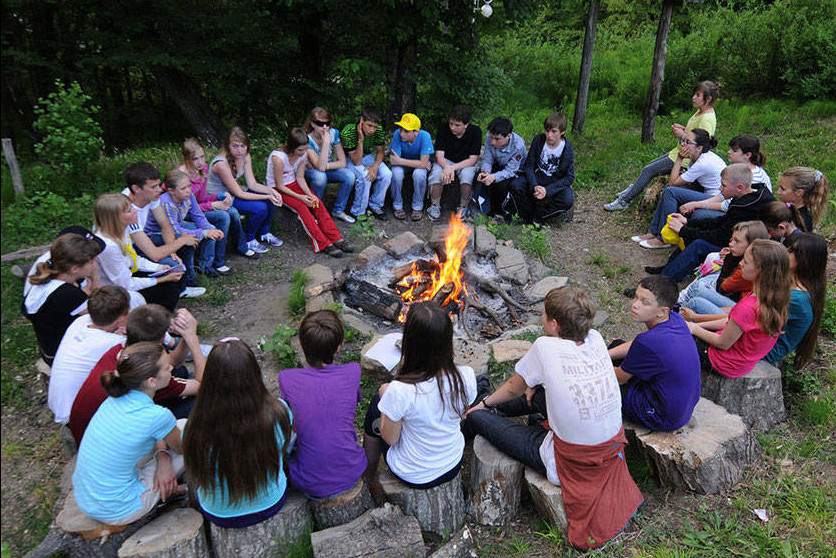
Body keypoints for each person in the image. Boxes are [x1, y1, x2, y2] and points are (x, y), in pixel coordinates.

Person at [463, 286, 642, 550]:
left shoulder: (544, 347)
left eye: (544, 315)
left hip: (567, 460)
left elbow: (513, 387)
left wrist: (484, 404)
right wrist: (534, 385)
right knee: (533, 393)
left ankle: (476, 411)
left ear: (555, 324)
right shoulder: (594, 337)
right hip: (609, 445)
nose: (542, 319)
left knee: (479, 418)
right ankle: (489, 403)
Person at [363, 302, 477, 488]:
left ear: (409, 342)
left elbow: (390, 439)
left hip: (414, 473)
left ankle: (368, 476)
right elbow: (461, 413)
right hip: (452, 462)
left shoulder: (400, 390)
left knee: (377, 404)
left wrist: (386, 394)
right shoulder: (466, 376)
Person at [72, 342, 186, 525]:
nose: (171, 368)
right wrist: (164, 455)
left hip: (87, 498)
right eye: (167, 367)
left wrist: (162, 455)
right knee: (189, 433)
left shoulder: (113, 400)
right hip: (119, 508)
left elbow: (154, 433)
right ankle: (163, 494)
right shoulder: (157, 415)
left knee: (167, 436)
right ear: (151, 381)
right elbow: (182, 449)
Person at [184, 339, 293, 528]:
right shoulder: (279, 412)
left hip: (218, 513)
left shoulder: (194, 425)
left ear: (209, 378)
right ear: (254, 373)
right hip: (270, 504)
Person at [68, 305, 206, 446]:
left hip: (88, 433)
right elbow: (204, 385)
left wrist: (185, 338)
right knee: (202, 400)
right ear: (162, 338)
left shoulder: (119, 352)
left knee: (179, 371)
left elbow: (171, 362)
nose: (169, 367)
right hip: (111, 443)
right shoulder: (149, 377)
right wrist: (192, 338)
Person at [278, 310, 366, 499]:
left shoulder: (286, 378)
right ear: (339, 346)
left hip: (307, 481)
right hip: (351, 472)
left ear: (302, 345)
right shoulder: (353, 372)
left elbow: (291, 421)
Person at [649, 163, 775, 282]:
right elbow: (722, 221)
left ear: (740, 187)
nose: (720, 188)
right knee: (692, 236)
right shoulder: (748, 196)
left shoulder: (747, 207)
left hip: (749, 249)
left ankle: (664, 281)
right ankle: (669, 269)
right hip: (736, 239)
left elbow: (719, 236)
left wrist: (683, 230)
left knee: (699, 245)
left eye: (724, 185)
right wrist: (688, 222)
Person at [605, 80, 719, 211]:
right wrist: (684, 129)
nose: (693, 97)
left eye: (698, 95)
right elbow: (696, 133)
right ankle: (631, 191)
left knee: (648, 171)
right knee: (649, 166)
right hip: (678, 151)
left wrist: (682, 135)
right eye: (695, 94)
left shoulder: (706, 119)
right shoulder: (701, 111)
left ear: (708, 99)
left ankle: (624, 201)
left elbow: (701, 144)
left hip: (684, 158)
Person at [687, 239, 791, 378]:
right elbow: (732, 324)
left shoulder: (748, 307)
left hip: (722, 362)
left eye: (746, 262)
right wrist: (697, 325)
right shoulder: (774, 299)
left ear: (761, 271)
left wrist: (694, 328)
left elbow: (722, 343)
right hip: (742, 363)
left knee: (674, 337)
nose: (740, 264)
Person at [608, 276, 701, 431]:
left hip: (662, 416)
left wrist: (593, 364)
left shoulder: (649, 341)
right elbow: (637, 346)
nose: (635, 304)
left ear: (662, 311)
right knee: (616, 345)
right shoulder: (675, 319)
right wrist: (606, 355)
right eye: (636, 297)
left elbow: (618, 378)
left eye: (645, 302)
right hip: (683, 407)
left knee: (604, 390)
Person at [48, 286, 129, 424]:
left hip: (58, 404)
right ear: (120, 319)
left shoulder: (80, 322)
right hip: (75, 415)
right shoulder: (115, 343)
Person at [23, 229, 104, 365]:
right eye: (91, 261)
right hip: (61, 355)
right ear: (74, 269)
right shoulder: (67, 294)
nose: (94, 263)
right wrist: (95, 280)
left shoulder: (51, 275)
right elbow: (101, 315)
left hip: (48, 346)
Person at [267, 127, 352, 257]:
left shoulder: (303, 154)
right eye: (300, 150)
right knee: (302, 207)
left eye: (305, 149)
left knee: (317, 202)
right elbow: (279, 185)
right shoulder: (278, 158)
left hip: (294, 184)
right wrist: (300, 197)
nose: (303, 153)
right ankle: (322, 243)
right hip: (278, 188)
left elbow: (300, 177)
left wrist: (310, 195)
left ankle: (336, 238)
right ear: (291, 147)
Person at [634, 129, 726, 248]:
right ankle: (654, 231)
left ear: (699, 148)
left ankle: (665, 238)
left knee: (670, 191)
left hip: (716, 198)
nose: (683, 144)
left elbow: (673, 183)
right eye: (683, 140)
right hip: (709, 194)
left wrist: (679, 158)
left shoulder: (703, 162)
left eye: (688, 142)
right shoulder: (699, 157)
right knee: (670, 190)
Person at [94, 193, 188, 308]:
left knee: (171, 280)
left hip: (127, 274)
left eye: (132, 207)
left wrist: (158, 268)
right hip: (113, 290)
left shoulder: (122, 230)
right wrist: (161, 279)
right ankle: (153, 316)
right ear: (115, 218)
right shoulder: (109, 246)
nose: (135, 211)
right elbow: (126, 284)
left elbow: (133, 258)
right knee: (168, 290)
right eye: (129, 210)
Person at [206, 126, 284, 254]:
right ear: (227, 146)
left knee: (270, 200)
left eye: (243, 146)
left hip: (235, 192)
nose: (239, 150)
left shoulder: (245, 156)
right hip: (222, 198)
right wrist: (267, 196)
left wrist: (271, 191)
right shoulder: (221, 164)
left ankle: (264, 232)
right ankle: (248, 239)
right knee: (260, 208)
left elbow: (252, 184)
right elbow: (240, 194)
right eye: (235, 146)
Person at [178, 137, 255, 260]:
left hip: (198, 208)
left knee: (232, 211)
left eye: (202, 157)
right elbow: (188, 208)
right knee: (223, 216)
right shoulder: (181, 177)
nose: (200, 162)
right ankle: (217, 260)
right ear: (186, 158)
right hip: (184, 214)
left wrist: (220, 196)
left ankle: (241, 247)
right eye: (195, 159)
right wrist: (212, 205)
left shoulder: (202, 169)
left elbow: (201, 197)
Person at [145, 170, 225, 281]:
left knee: (211, 230)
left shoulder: (189, 195)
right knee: (190, 239)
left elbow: (198, 215)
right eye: (183, 188)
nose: (188, 190)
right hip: (157, 233)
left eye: (189, 186)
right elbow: (175, 230)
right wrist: (204, 233)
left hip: (176, 225)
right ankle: (189, 277)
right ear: (171, 191)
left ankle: (205, 266)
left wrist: (210, 229)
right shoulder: (167, 204)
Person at [678, 221, 769, 317]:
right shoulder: (747, 261)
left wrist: (730, 258)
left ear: (751, 246)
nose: (731, 244)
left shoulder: (747, 269)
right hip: (737, 304)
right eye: (731, 239)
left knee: (697, 291)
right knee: (703, 280)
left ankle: (679, 313)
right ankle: (680, 306)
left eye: (737, 241)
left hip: (739, 308)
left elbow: (723, 288)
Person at [764, 232, 827, 368]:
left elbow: (748, 320)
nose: (784, 252)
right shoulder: (794, 285)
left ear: (805, 259)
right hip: (761, 340)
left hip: (764, 351)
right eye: (787, 247)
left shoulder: (796, 299)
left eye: (791, 251)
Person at [679, 134, 772, 220]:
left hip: (743, 217)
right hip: (727, 204)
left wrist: (697, 205)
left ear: (748, 155)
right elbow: (722, 196)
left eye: (734, 150)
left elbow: (726, 206)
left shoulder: (752, 178)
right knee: (675, 192)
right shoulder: (743, 169)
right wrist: (697, 204)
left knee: (699, 214)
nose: (729, 152)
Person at [121, 162, 198, 266]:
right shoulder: (127, 210)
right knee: (173, 263)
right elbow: (154, 255)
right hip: (128, 252)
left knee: (186, 241)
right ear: (136, 188)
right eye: (154, 187)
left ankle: (190, 274)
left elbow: (165, 225)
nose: (160, 190)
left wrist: (172, 250)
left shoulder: (150, 196)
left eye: (158, 185)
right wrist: (180, 241)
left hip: (144, 239)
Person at [509, 113, 575, 225]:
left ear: (562, 132)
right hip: (539, 177)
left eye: (553, 132)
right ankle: (527, 217)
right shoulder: (539, 140)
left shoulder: (567, 149)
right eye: (547, 131)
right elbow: (529, 166)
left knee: (567, 200)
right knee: (516, 185)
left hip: (555, 181)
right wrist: (534, 185)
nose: (549, 135)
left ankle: (539, 217)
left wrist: (547, 190)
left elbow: (569, 177)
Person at [426, 105, 483, 220]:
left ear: (466, 125)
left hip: (465, 162)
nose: (452, 127)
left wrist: (452, 168)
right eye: (451, 124)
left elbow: (473, 159)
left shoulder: (475, 132)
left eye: (457, 125)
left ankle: (463, 206)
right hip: (445, 161)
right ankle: (435, 205)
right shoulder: (443, 129)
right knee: (436, 174)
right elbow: (439, 155)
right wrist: (447, 167)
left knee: (467, 176)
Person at [304, 107, 357, 223]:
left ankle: (338, 210)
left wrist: (325, 165)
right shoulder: (307, 139)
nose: (324, 127)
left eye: (327, 124)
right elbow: (319, 168)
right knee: (320, 177)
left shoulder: (334, 133)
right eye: (320, 124)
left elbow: (342, 162)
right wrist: (326, 143)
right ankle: (313, 212)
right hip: (308, 171)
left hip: (325, 167)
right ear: (312, 123)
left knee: (349, 176)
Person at [341, 107, 392, 220]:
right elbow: (356, 161)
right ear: (362, 120)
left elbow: (380, 152)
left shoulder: (378, 130)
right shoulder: (348, 132)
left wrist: (375, 167)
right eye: (369, 125)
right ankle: (358, 211)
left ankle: (375, 205)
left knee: (387, 174)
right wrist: (361, 139)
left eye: (375, 127)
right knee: (365, 176)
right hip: (350, 158)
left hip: (368, 156)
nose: (372, 130)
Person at [474, 117, 527, 220]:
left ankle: (501, 213)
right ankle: (481, 208)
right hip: (497, 165)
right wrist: (485, 172)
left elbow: (511, 170)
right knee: (479, 178)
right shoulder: (490, 137)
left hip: (515, 171)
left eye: (497, 139)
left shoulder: (518, 145)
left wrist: (494, 177)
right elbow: (487, 159)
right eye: (491, 138)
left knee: (501, 185)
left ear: (508, 136)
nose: (493, 142)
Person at [388, 113, 434, 221]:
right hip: (406, 164)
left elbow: (422, 164)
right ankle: (397, 206)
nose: (402, 133)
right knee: (396, 173)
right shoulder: (397, 134)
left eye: (406, 131)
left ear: (416, 132)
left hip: (409, 164)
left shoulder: (425, 136)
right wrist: (420, 163)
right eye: (401, 129)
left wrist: (401, 161)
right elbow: (394, 160)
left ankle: (417, 207)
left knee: (419, 174)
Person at [775, 167, 830, 232]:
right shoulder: (794, 211)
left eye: (783, 189)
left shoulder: (797, 222)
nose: (778, 192)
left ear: (799, 193)